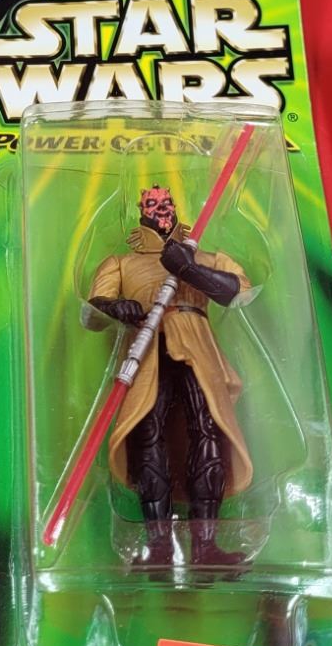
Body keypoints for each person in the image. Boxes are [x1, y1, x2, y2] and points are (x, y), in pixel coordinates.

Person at [88, 185, 253, 571]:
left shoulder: (208, 257)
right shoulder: (121, 263)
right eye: (152, 203)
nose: (161, 209)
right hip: (148, 348)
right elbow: (93, 311)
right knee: (147, 433)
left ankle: (206, 545)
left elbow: (239, 293)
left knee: (208, 430)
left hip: (198, 346)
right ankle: (159, 545)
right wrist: (118, 307)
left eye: (167, 203)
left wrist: (189, 269)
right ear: (141, 211)